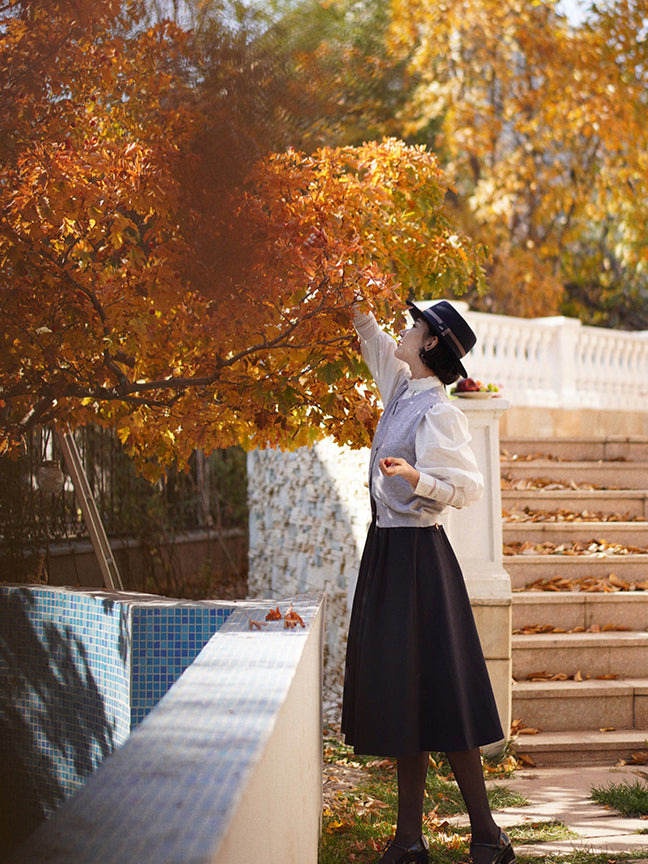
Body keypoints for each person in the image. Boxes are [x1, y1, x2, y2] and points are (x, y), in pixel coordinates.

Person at [341, 299, 515, 864]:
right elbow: (373, 344)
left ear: (432, 345)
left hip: (421, 561)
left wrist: (420, 478)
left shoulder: (438, 410)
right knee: (406, 697)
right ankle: (409, 840)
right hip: (388, 555)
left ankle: (487, 836)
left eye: (415, 327)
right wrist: (351, 302)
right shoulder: (402, 391)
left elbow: (468, 489)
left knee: (446, 699)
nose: (405, 330)